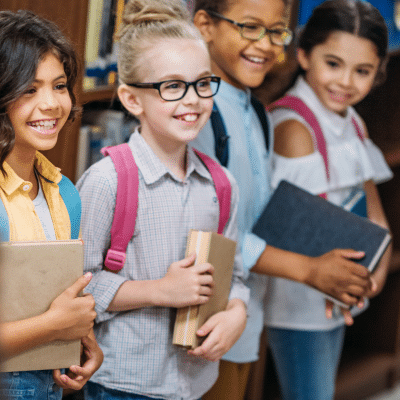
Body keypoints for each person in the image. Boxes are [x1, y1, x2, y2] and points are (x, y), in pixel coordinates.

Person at [192, 0, 380, 399]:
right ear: (205, 25)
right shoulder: (199, 114)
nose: (263, 44)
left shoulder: (254, 112)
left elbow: (258, 220)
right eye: (248, 27)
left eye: (276, 31)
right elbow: (209, 234)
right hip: (207, 327)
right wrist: (310, 270)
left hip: (243, 320)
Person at [77, 0, 249, 399]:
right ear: (132, 99)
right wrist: (161, 291)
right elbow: (77, 289)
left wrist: (237, 314)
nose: (193, 99)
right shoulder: (107, 182)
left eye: (202, 83)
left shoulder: (221, 185)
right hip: (122, 385)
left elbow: (234, 275)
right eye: (173, 86)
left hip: (194, 381)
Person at [265, 1, 393, 398]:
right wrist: (343, 283)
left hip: (340, 291)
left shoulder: (352, 120)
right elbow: (293, 229)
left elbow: (372, 205)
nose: (346, 82)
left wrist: (377, 271)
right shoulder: (294, 129)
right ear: (303, 54)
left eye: (363, 71)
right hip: (302, 303)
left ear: (378, 72)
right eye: (333, 64)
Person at [0, 9, 103, 400]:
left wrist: (84, 341)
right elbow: (53, 319)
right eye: (29, 89)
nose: (52, 104)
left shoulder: (66, 194)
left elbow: (58, 301)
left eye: (59, 86)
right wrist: (55, 325)